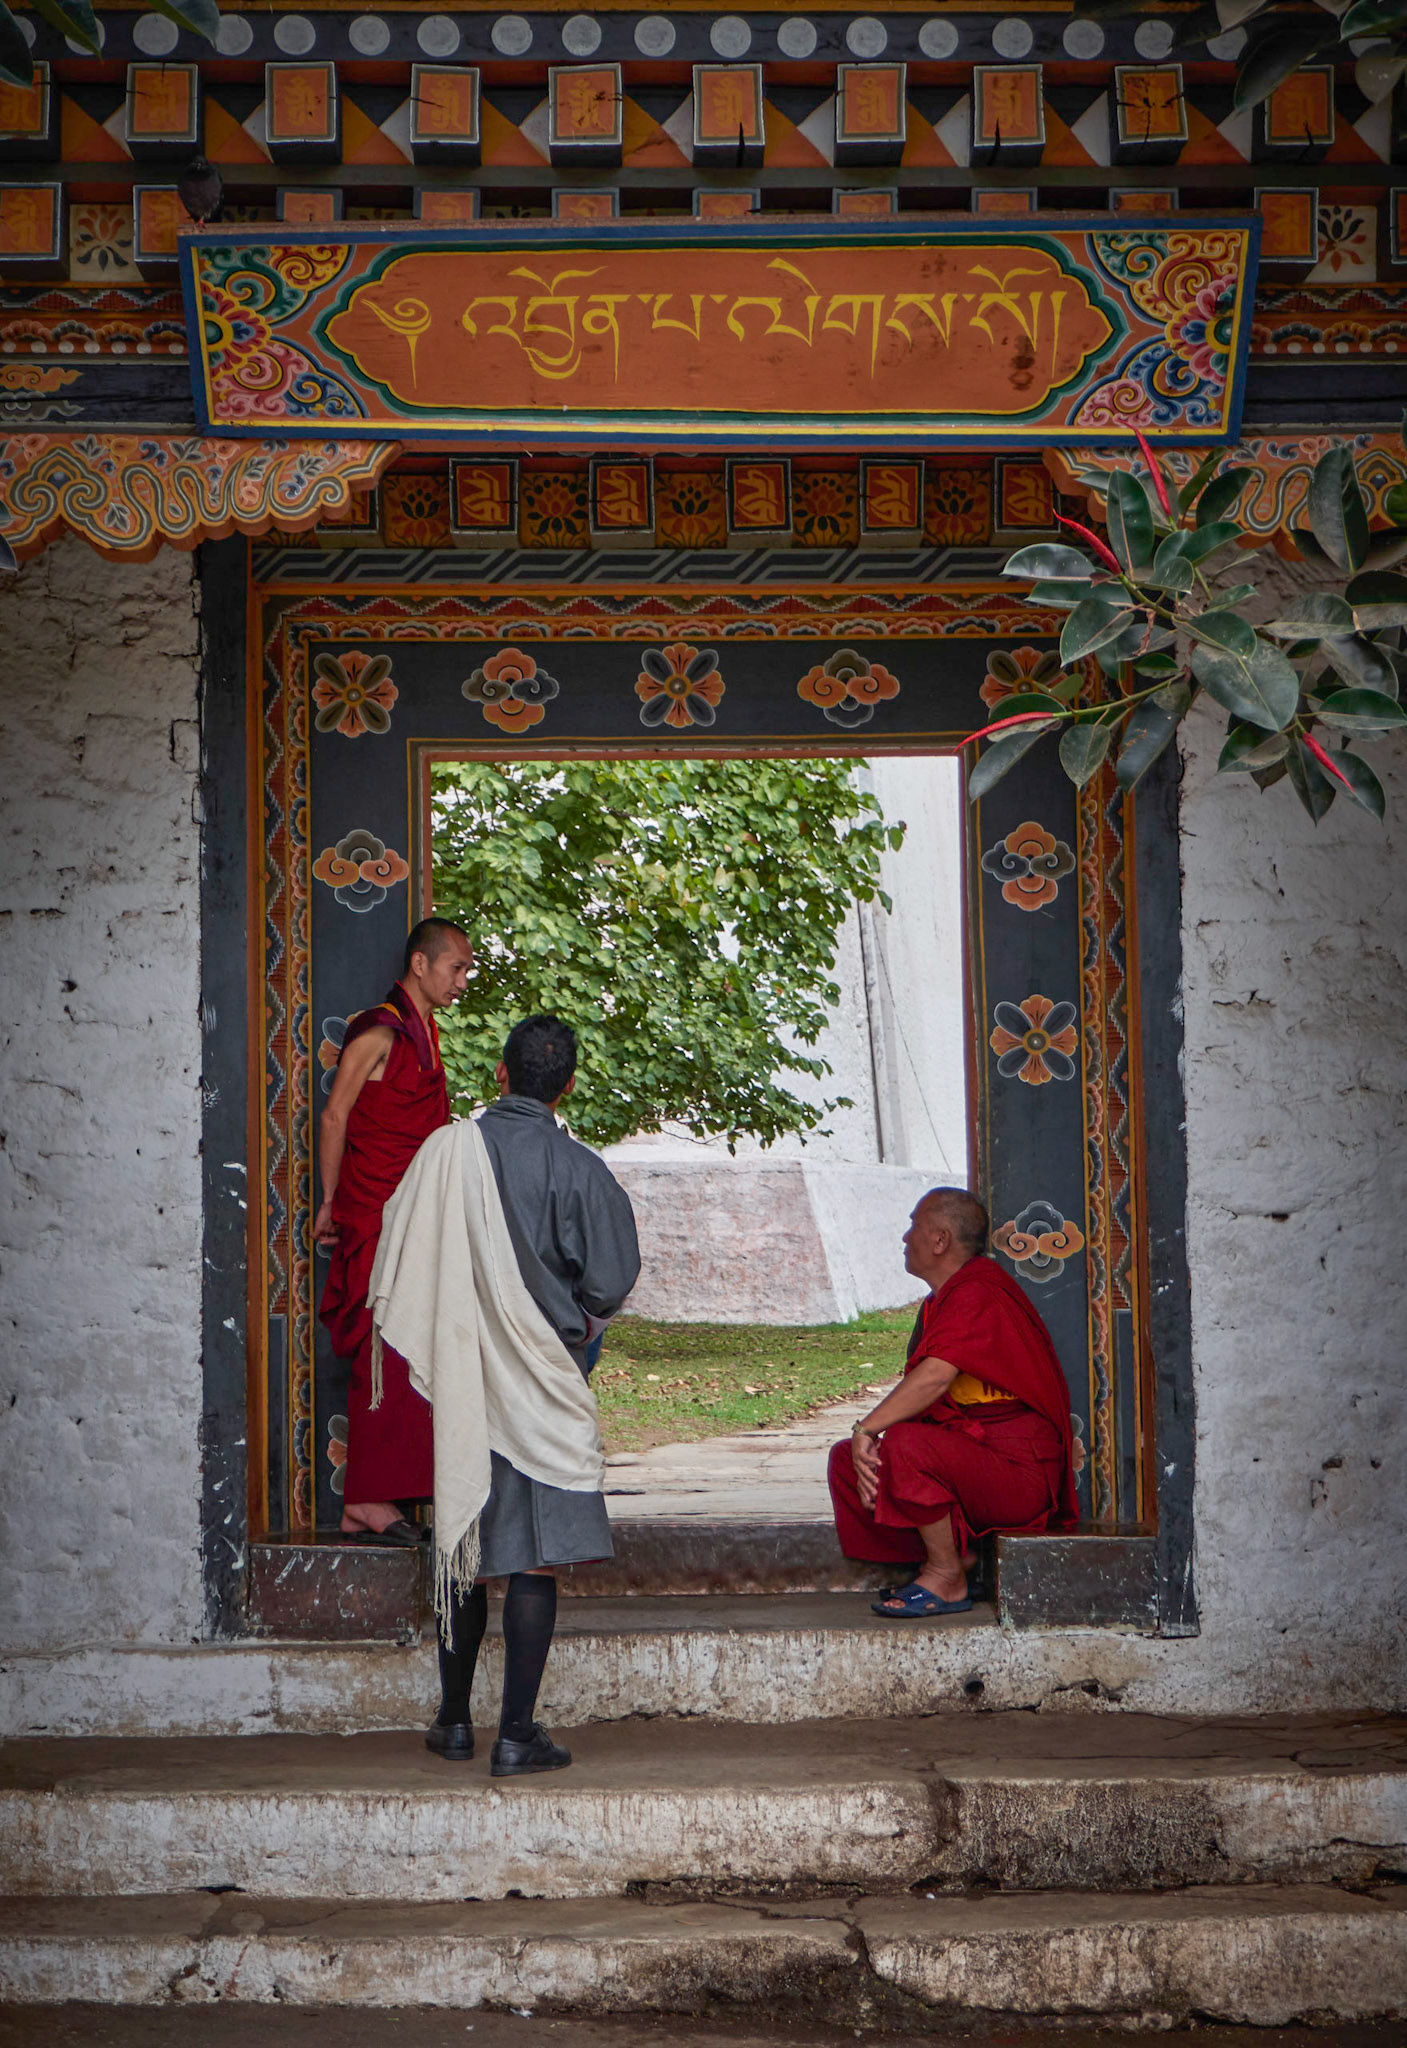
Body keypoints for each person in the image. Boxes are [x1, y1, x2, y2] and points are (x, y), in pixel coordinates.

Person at [428, 1013, 641, 1775]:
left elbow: (408, 1245)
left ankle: (454, 1722)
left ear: (500, 1074)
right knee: (533, 1558)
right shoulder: (580, 1168)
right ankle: (516, 1734)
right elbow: (611, 1281)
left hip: (461, 1374)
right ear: (569, 1085)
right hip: (545, 1375)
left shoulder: (449, 1154)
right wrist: (572, 1321)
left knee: (464, 1535)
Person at [827, 1186, 1078, 1618]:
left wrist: (867, 1428)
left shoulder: (978, 1291)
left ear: (940, 1240)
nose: (906, 1238)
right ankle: (948, 1557)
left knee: (905, 1444)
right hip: (975, 1460)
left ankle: (947, 1577)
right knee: (848, 1463)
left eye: (914, 1226)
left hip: (1017, 1473)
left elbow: (936, 1377)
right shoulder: (943, 1300)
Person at [314, 916, 474, 1543]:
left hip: (415, 1214)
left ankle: (391, 1490)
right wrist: (330, 1202)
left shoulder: (426, 1033)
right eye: (456, 967)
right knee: (379, 1349)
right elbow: (335, 1116)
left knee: (410, 1348)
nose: (462, 980)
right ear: (420, 964)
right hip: (375, 1209)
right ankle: (366, 1501)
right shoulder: (379, 1032)